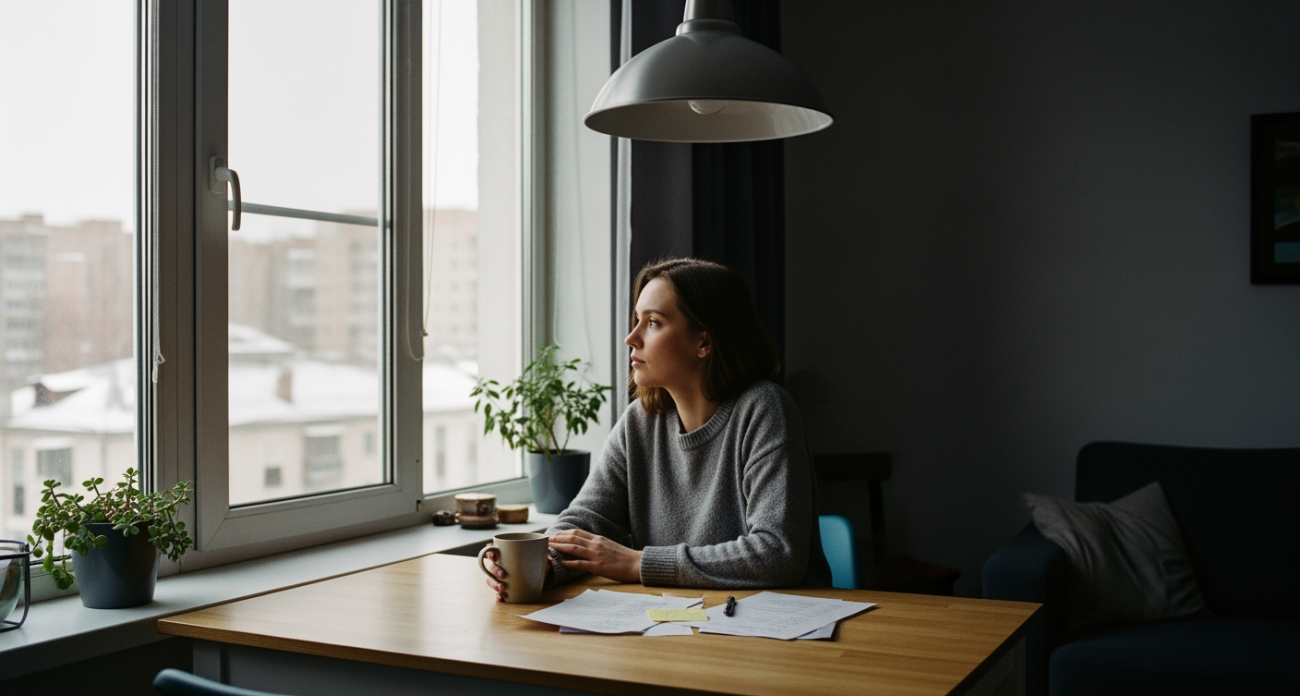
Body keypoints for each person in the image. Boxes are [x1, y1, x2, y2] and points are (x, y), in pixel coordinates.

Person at [484, 257, 831, 600]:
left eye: (652, 322)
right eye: (637, 320)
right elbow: (585, 518)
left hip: (778, 635)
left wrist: (639, 564)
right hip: (680, 626)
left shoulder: (764, 409)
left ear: (704, 343)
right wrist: (544, 562)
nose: (631, 338)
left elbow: (777, 553)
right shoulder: (640, 421)